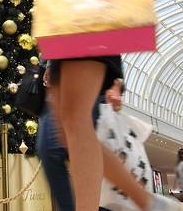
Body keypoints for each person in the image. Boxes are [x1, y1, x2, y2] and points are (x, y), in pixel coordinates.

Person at [37, 0, 179, 211]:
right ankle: (149, 202)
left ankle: (137, 203)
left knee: (74, 123)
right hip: (67, 37)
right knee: (67, 129)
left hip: (93, 29)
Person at [37, 78, 123, 211]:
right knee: (51, 149)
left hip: (86, 82)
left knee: (55, 149)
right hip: (66, 86)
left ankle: (144, 200)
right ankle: (145, 200)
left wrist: (115, 84)